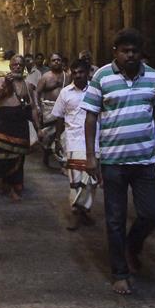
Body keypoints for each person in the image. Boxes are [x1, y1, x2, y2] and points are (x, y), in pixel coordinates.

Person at [82, 28, 155, 295]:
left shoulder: (152, 76)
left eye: (135, 51)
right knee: (115, 218)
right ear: (116, 52)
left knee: (150, 214)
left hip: (144, 159)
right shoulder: (102, 76)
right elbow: (90, 118)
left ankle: (132, 246)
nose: (130, 55)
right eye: (125, 50)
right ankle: (120, 272)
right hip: (113, 161)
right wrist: (91, 156)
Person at [48, 60, 96, 230]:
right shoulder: (65, 92)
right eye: (74, 72)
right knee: (75, 180)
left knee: (90, 180)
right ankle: (76, 212)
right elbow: (59, 117)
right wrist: (57, 140)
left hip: (93, 142)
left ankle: (85, 210)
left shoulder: (95, 91)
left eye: (81, 72)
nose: (77, 75)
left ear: (88, 72)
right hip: (73, 141)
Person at [0, 54, 41, 201]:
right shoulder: (1, 80)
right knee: (2, 156)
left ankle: (14, 186)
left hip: (20, 125)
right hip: (3, 124)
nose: (17, 66)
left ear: (23, 67)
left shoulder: (28, 85)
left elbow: (33, 108)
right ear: (10, 66)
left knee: (18, 157)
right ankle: (1, 180)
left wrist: (38, 128)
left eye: (20, 64)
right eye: (14, 64)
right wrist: (6, 83)